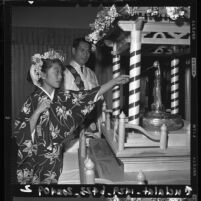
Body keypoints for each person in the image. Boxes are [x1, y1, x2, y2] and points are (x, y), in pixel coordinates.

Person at [12, 49, 129, 184]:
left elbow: (87, 96)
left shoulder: (62, 96)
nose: (60, 76)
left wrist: (114, 82)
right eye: (56, 72)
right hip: (35, 162)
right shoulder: (32, 101)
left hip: (55, 159)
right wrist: (36, 113)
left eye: (61, 72)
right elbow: (20, 133)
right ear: (43, 74)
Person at [63, 37, 102, 152]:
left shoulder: (91, 73)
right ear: (74, 51)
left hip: (91, 126)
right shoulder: (64, 73)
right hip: (72, 129)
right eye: (82, 50)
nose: (85, 54)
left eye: (88, 51)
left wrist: (99, 124)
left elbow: (98, 100)